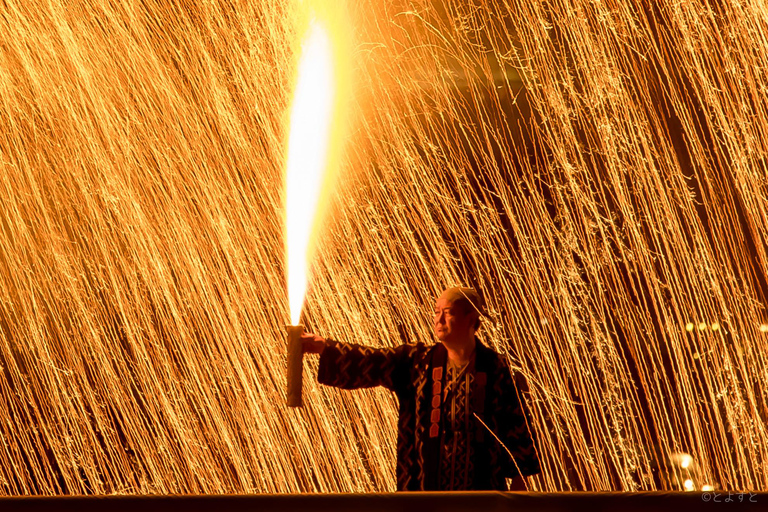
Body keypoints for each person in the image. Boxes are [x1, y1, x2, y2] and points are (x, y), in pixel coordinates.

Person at [301, 286, 541, 491]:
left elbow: (516, 425)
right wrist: (326, 347)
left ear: (471, 318)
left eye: (448, 313)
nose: (439, 320)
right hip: (425, 496)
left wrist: (518, 486)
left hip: (480, 498)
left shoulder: (494, 368)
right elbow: (373, 361)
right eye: (437, 313)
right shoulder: (417, 362)